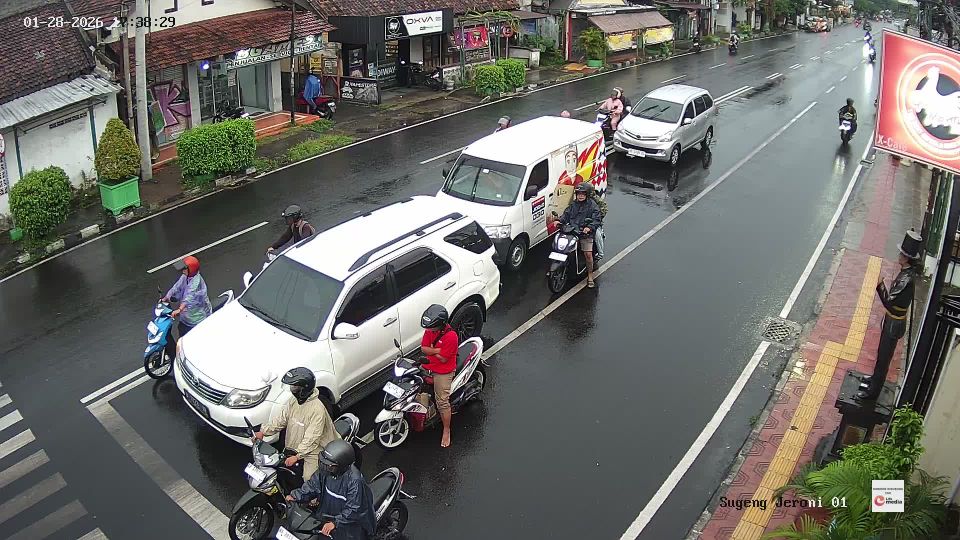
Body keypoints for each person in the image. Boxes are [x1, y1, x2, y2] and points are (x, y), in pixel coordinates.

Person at [856, 230, 921, 401]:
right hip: (892, 320)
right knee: (881, 354)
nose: (899, 255)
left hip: (894, 323)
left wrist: (879, 285)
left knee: (884, 357)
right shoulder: (905, 274)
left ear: (906, 258)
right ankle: (874, 380)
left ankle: (872, 393)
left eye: (902, 253)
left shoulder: (906, 279)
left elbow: (889, 302)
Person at [255, 367, 340, 481]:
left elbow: (312, 438)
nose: (292, 389)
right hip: (297, 444)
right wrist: (263, 431)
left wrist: (298, 455)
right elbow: (281, 419)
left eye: (295, 387)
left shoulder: (317, 409)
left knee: (308, 479)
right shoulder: (293, 401)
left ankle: (315, 499)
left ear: (304, 389)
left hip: (316, 448)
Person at [285, 440, 376, 540]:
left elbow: (354, 509)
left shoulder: (354, 482)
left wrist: (336, 522)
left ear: (342, 465)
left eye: (330, 466)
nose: (325, 468)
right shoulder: (326, 471)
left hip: (348, 527)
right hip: (326, 516)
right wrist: (296, 496)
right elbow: (312, 485)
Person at [420, 304, 458, 448]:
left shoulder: (451, 337)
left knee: (442, 401)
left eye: (431, 328)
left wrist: (431, 350)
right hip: (428, 365)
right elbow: (423, 348)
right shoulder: (430, 329)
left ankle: (446, 430)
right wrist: (436, 350)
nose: (428, 330)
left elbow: (443, 359)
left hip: (443, 371)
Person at [550, 182, 602, 287]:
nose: (581, 196)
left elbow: (596, 219)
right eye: (579, 194)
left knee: (588, 254)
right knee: (559, 247)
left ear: (587, 194)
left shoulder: (593, 206)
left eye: (583, 194)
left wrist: (589, 228)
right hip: (572, 231)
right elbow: (566, 215)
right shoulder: (573, 205)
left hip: (584, 233)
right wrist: (558, 221)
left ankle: (590, 275)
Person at [163, 256, 212, 338]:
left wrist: (179, 309)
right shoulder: (186, 276)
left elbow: (189, 297)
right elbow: (176, 286)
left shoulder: (196, 282)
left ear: (191, 269)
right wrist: (166, 297)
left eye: (184, 269)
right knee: (181, 331)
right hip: (186, 316)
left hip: (196, 318)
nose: (182, 271)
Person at [587, 183, 608, 261]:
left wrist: (596, 218)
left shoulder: (596, 200)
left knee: (597, 235)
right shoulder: (579, 200)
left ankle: (600, 253)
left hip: (594, 222)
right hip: (581, 222)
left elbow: (604, 209)